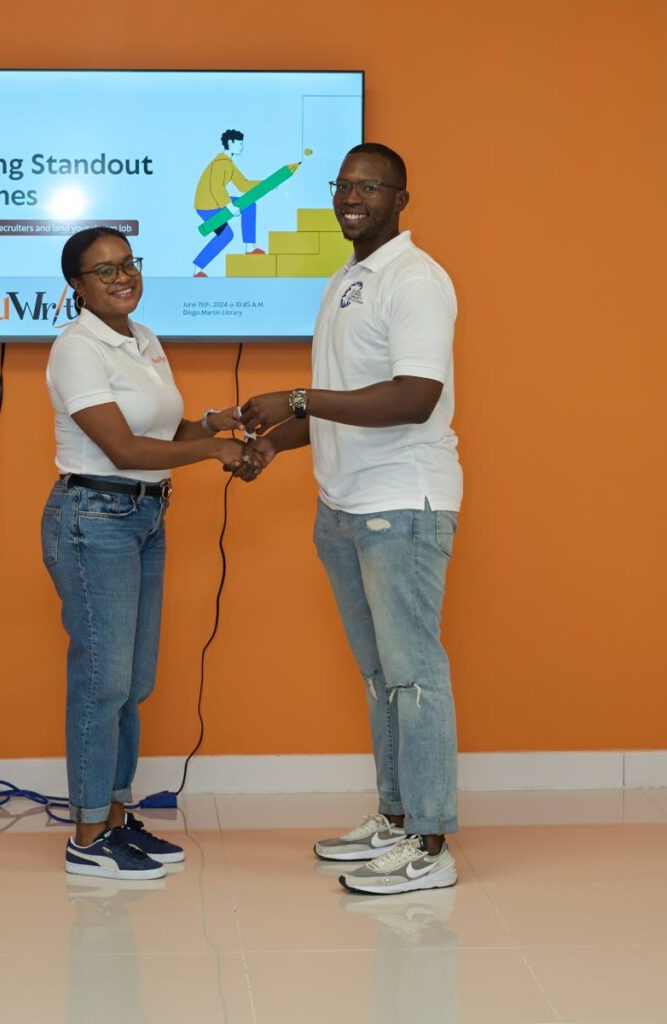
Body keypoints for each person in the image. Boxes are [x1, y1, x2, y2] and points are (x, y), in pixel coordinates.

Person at [238, 143, 462, 896]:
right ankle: (395, 819)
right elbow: (346, 402)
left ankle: (429, 846)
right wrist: (273, 441)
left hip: (401, 504)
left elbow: (413, 397)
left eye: (369, 186)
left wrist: (298, 400)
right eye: (343, 185)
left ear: (402, 197)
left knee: (414, 678)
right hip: (343, 507)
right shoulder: (345, 279)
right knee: (380, 678)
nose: (350, 197)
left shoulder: (415, 280)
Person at [42, 226, 260, 880]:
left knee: (133, 681)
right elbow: (125, 451)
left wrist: (211, 427)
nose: (120, 277)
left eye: (127, 264)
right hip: (93, 517)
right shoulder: (76, 348)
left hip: (143, 516)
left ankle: (113, 816)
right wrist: (212, 452)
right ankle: (86, 839)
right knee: (101, 681)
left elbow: (163, 433)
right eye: (102, 271)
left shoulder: (142, 338)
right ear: (76, 286)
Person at [192, 129, 266, 277]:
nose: (242, 147)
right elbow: (216, 187)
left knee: (250, 204)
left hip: (217, 202)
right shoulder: (221, 163)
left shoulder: (228, 164)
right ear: (230, 143)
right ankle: (197, 269)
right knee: (226, 235)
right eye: (239, 143)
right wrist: (230, 206)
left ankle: (249, 247)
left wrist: (266, 184)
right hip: (207, 206)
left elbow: (243, 184)